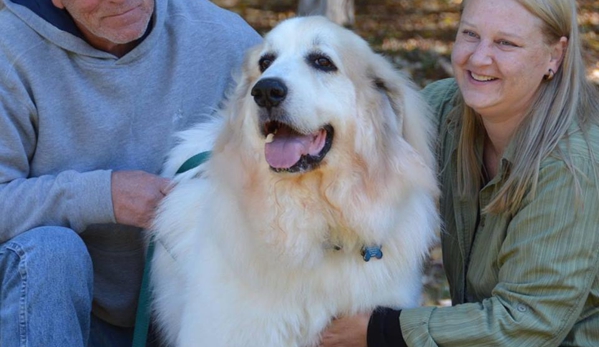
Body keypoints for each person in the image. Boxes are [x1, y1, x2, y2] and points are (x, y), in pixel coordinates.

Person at [319, 0, 599, 346]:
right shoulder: (444, 109)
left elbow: (528, 322)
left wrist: (380, 330)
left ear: (555, 56)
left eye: (505, 43)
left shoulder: (574, 165)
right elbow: (359, 151)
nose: (479, 58)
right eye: (470, 34)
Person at [0, 0, 261, 346]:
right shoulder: (9, 49)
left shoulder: (227, 40)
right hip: (52, 313)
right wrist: (103, 195)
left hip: (193, 310)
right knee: (51, 252)